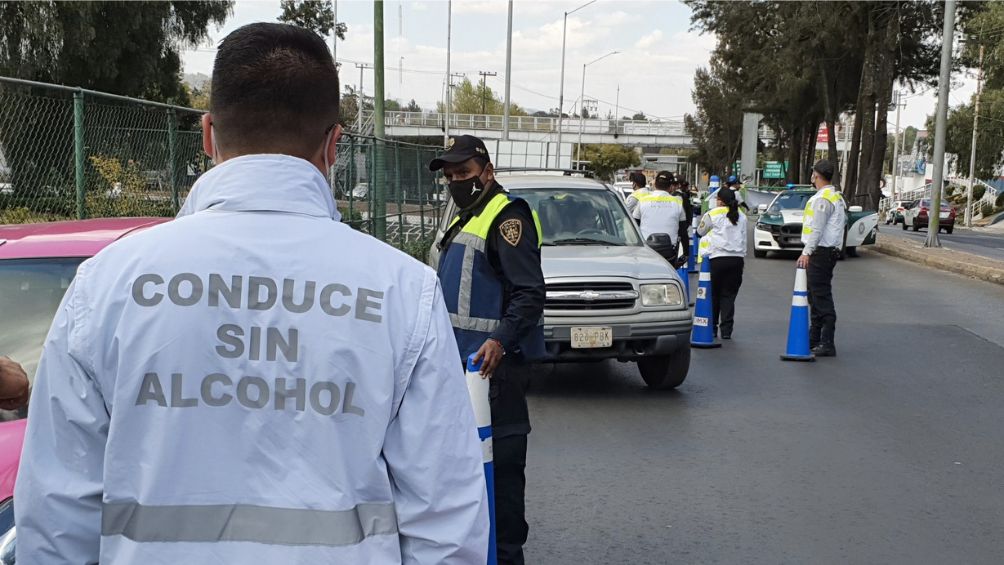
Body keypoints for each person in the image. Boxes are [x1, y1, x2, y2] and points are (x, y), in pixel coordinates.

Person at [16, 23, 489, 564]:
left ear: (208, 134)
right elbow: (447, 524)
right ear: (334, 144)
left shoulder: (105, 285)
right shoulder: (405, 293)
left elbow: (55, 517)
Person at [431, 134, 546, 565]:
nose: (456, 182)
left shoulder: (506, 217)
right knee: (463, 482)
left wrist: (500, 339)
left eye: (464, 174)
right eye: (450, 176)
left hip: (495, 375)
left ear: (487, 171)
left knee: (499, 485)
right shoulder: (461, 214)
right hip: (457, 371)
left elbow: (530, 294)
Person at [797, 159, 846, 357]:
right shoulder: (834, 196)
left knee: (821, 296)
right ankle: (814, 338)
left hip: (821, 252)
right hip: (826, 252)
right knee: (815, 296)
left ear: (816, 175)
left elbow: (817, 229)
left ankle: (827, 342)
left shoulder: (824, 199)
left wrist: (806, 252)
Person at [696, 188, 747, 340]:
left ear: (719, 200)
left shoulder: (712, 214)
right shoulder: (742, 215)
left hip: (717, 259)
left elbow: (700, 231)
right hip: (737, 260)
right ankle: (726, 330)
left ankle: (712, 328)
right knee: (729, 296)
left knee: (714, 295)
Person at [635, 173, 689, 267]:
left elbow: (634, 225)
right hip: (669, 253)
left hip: (646, 251)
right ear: (671, 186)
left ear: (655, 184)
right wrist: (686, 253)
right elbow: (683, 231)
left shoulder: (643, 200)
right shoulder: (677, 202)